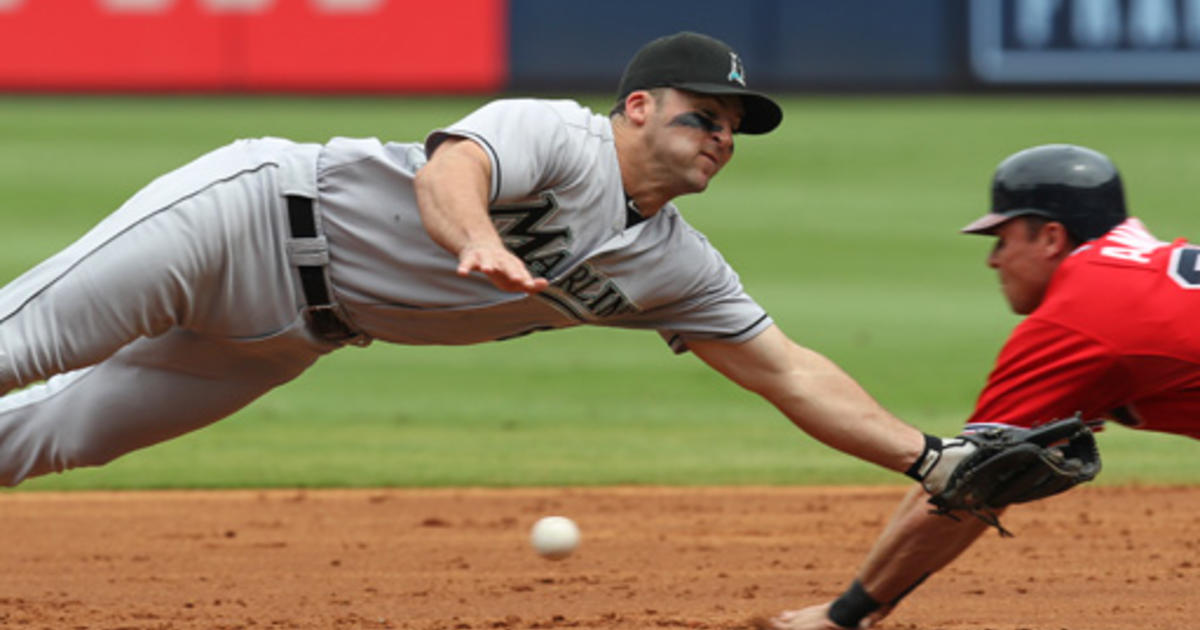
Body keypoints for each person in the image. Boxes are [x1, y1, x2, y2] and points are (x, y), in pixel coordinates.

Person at [0, 32, 967, 496]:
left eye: (731, 129)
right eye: (700, 114)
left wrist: (931, 457)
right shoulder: (556, 133)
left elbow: (789, 370)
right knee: (20, 345)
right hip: (242, 218)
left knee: (58, 436)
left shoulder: (678, 268)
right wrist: (477, 238)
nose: (719, 135)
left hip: (283, 339)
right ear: (636, 107)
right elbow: (453, 168)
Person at [763, 143, 1200, 630]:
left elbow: (975, 481)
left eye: (1003, 239)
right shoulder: (1144, 269)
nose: (994, 261)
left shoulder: (1082, 310)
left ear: (1052, 237)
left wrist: (847, 613)